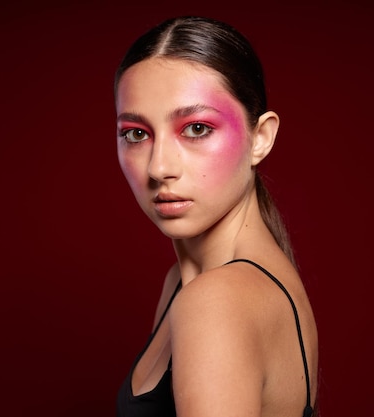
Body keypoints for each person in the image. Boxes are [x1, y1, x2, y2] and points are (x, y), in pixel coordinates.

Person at [113, 16, 319, 417]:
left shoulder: (216, 300)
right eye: (136, 134)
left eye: (196, 128)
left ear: (260, 138)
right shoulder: (188, 282)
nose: (158, 168)